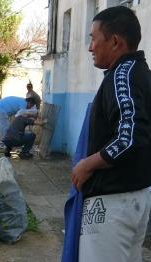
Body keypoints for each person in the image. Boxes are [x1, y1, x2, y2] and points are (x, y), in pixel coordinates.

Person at [70, 6, 151, 262]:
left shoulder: (123, 75)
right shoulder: (138, 74)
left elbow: (130, 137)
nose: (90, 47)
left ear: (115, 41)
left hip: (112, 204)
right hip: (133, 198)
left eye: (94, 38)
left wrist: (86, 165)